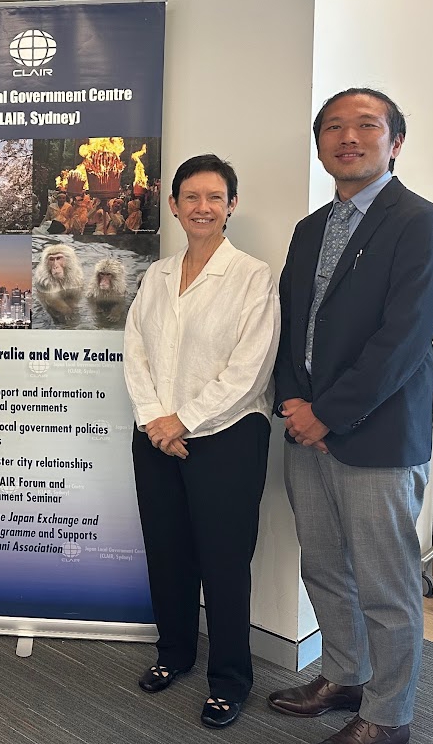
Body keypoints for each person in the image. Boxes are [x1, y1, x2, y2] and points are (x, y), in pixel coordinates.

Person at [269, 89, 433, 744]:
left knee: (386, 584)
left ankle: (387, 714)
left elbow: (400, 340)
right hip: (304, 431)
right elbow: (292, 326)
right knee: (322, 565)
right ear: (321, 144)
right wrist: (294, 402)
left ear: (395, 141)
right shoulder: (311, 228)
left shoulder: (420, 223)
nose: (349, 137)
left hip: (375, 436)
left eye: (366, 125)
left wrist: (328, 414)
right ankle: (343, 676)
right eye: (334, 127)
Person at [123, 154, 280, 729]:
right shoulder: (158, 275)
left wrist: (182, 420)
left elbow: (250, 368)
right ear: (174, 205)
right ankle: (175, 654)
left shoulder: (252, 276)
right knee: (167, 552)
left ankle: (230, 678)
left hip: (227, 436)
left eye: (215, 198)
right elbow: (135, 349)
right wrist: (153, 418)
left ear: (231, 205)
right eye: (191, 197)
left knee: (223, 561)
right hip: (155, 434)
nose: (202, 208)